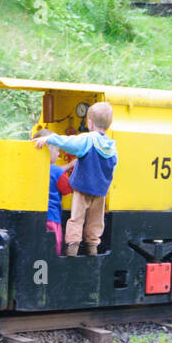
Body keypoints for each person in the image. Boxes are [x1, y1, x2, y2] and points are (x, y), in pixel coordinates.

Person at [32, 102, 117, 256]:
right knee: (96, 221)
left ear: (89, 123)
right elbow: (113, 166)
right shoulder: (112, 146)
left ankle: (72, 247)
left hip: (83, 188)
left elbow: (68, 143)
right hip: (100, 192)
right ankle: (92, 246)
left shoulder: (87, 140)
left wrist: (50, 138)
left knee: (76, 218)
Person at [35, 129, 76, 253]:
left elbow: (50, 170)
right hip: (52, 217)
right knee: (55, 246)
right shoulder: (58, 172)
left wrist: (68, 166)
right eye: (57, 150)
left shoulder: (34, 167)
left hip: (36, 217)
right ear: (49, 151)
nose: (58, 154)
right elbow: (67, 189)